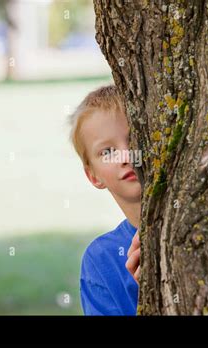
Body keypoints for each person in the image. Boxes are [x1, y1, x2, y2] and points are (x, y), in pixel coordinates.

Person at [68, 85, 141, 315]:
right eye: (107, 152)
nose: (125, 156)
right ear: (94, 176)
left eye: (134, 140)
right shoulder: (101, 261)